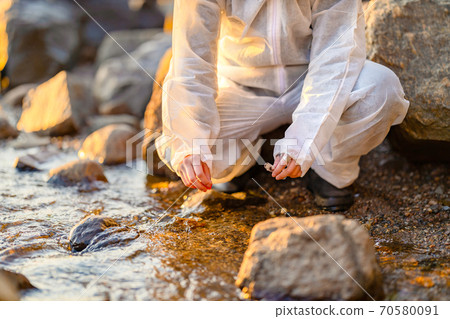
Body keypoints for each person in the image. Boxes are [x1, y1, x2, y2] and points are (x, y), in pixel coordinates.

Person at [155, 0, 409, 211]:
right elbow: (192, 64)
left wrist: (305, 141)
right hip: (239, 86)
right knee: (184, 147)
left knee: (380, 89)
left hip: (311, 78)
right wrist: (190, 145)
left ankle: (328, 168)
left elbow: (335, 56)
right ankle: (241, 163)